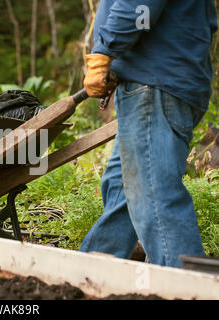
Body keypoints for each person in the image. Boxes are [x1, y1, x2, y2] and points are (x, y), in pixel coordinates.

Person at [80, 0, 218, 267]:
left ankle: (189, 289)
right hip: (164, 78)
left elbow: (138, 4)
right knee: (123, 194)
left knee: (154, 196)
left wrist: (103, 53)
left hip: (154, 81)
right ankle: (88, 275)